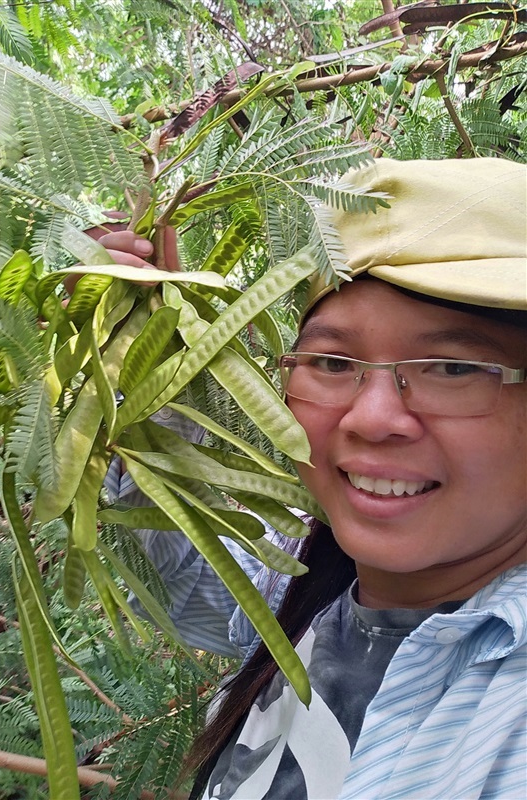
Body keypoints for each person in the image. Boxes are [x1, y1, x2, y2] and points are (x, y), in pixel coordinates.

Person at [102, 158, 526, 800]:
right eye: (331, 360)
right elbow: (183, 580)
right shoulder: (307, 586)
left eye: (452, 368)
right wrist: (141, 383)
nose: (373, 417)